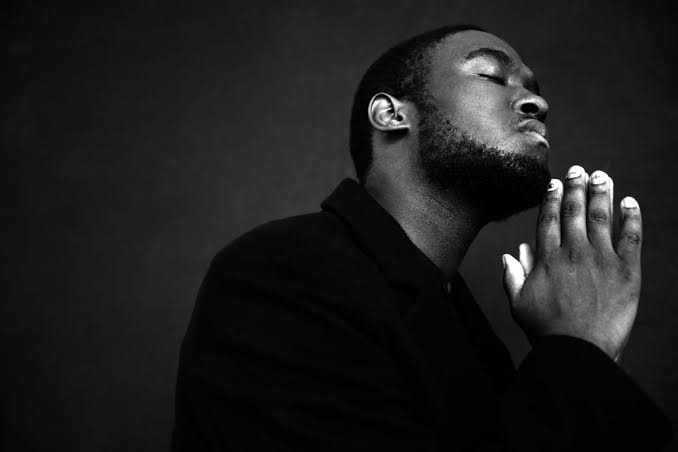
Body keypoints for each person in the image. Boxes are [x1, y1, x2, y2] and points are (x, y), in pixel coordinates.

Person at [171, 25, 673, 450]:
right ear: (391, 115)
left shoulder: (470, 334)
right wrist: (577, 349)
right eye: (490, 75)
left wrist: (582, 356)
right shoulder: (283, 273)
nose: (537, 102)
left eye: (534, 88)